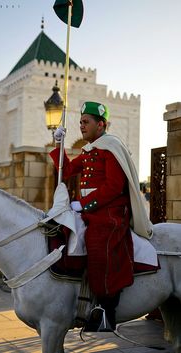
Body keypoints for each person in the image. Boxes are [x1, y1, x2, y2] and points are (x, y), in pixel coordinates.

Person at [50, 101, 153, 332]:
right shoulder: (89, 151)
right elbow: (66, 171)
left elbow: (114, 187)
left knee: (99, 244)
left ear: (101, 124)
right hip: (91, 211)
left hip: (110, 214)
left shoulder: (111, 147)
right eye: (80, 122)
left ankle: (107, 311)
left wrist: (84, 204)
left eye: (86, 122)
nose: (81, 126)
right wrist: (59, 145)